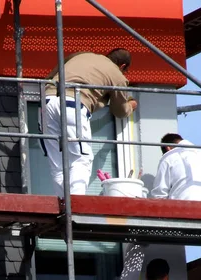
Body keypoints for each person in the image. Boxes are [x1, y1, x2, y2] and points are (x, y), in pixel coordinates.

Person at [97, 133, 201, 280]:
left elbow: (160, 195)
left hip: (185, 214)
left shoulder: (170, 156)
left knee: (140, 238)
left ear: (168, 147)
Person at [41, 49, 138, 197]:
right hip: (71, 104)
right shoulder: (116, 74)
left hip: (45, 103)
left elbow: (52, 73)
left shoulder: (81, 55)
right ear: (123, 66)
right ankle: (76, 203)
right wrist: (130, 105)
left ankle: (63, 202)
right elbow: (119, 110)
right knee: (82, 158)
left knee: (57, 162)